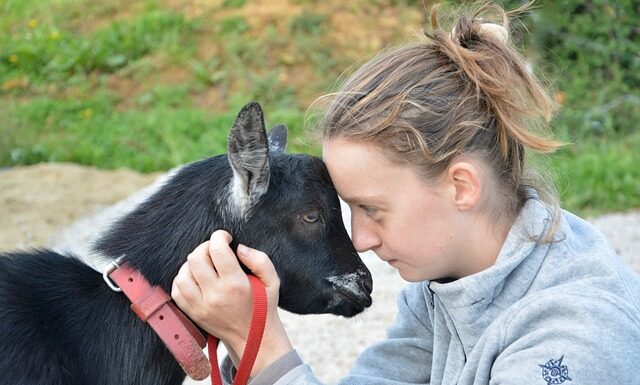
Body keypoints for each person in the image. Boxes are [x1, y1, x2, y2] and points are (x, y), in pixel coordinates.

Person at [171, 2, 640, 384]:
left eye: (371, 209)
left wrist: (266, 346)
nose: (360, 240)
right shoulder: (450, 279)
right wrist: (245, 340)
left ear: (461, 187)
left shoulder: (575, 340)